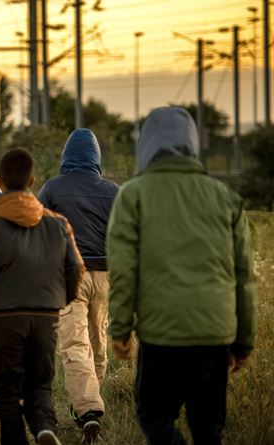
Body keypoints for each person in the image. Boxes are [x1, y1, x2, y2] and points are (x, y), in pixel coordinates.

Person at [107, 107, 257, 445]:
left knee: (155, 418)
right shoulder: (226, 198)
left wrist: (120, 328)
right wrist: (244, 340)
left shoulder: (133, 195)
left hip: (162, 335)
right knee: (209, 430)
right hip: (214, 335)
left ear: (145, 146)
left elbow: (124, 270)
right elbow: (245, 277)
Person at [0, 149, 84, 445]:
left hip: (5, 318)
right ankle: (45, 430)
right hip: (46, 316)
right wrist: (62, 299)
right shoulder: (58, 223)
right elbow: (76, 267)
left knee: (7, 393)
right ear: (33, 180)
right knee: (40, 385)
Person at [38, 128, 119, 442]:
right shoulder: (114, 191)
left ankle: (88, 410)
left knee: (74, 344)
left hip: (70, 277)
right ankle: (89, 404)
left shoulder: (53, 188)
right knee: (98, 343)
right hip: (105, 276)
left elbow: (37, 228)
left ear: (66, 156)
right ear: (96, 158)